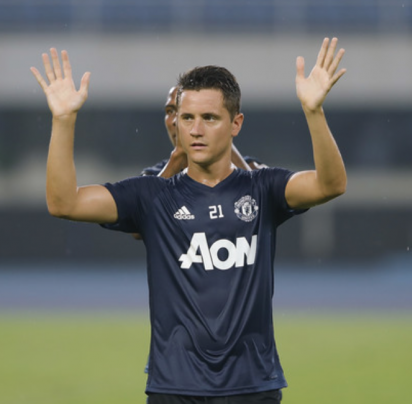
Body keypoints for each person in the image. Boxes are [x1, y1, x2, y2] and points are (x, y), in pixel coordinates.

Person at [30, 37, 347, 403]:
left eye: (209, 118)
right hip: (175, 388)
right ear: (176, 124)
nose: (195, 130)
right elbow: (62, 202)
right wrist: (63, 119)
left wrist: (314, 112)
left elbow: (332, 183)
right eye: (187, 118)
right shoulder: (151, 195)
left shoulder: (263, 188)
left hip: (252, 386)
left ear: (236, 123)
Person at [141, 85, 266, 178]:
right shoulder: (152, 176)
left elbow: (264, 204)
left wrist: (224, 136)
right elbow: (145, 210)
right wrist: (178, 157)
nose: (176, 121)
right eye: (171, 111)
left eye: (207, 116)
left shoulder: (253, 169)